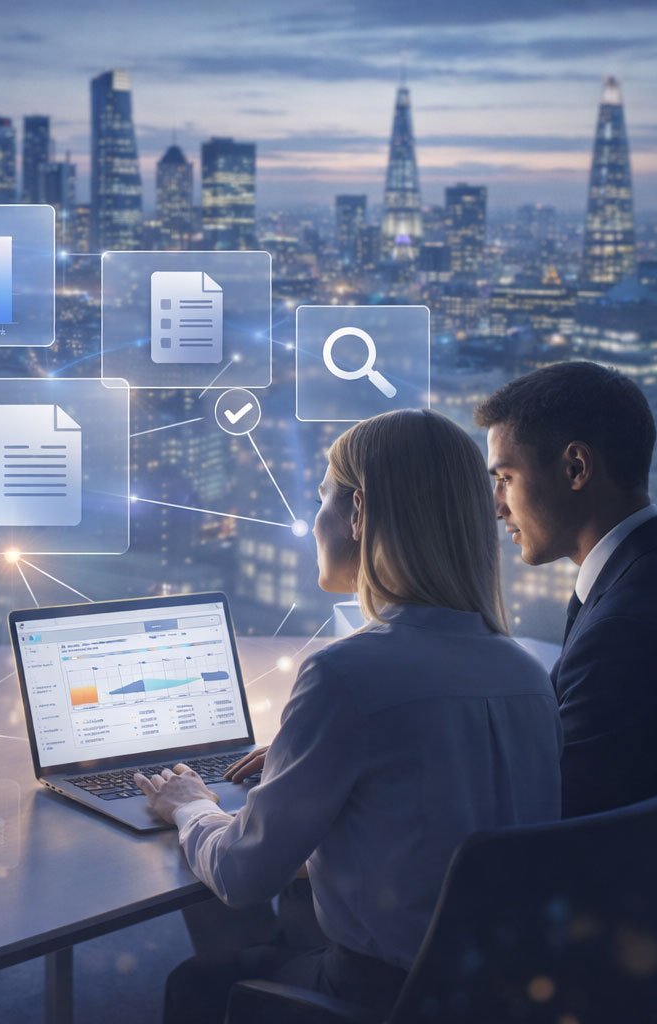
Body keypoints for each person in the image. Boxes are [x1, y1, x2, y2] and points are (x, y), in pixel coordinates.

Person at [137, 409, 562, 1022]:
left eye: (322, 501)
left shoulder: (347, 676)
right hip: (492, 994)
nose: (314, 524)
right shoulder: (525, 675)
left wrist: (189, 805)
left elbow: (241, 875)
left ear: (359, 513)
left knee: (198, 982)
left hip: (379, 995)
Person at [474, 361, 657, 1021]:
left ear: (576, 467)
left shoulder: (625, 627)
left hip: (628, 966)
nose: (496, 504)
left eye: (504, 477)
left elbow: (549, 816)